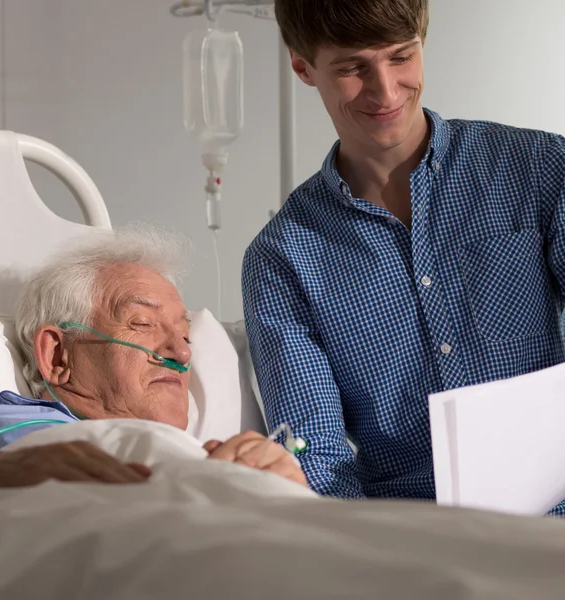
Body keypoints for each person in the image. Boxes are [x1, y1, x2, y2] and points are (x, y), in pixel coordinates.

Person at [241, 0, 565, 514]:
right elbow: (316, 453)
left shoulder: (539, 170)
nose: (386, 91)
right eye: (352, 68)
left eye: (401, 57)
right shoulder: (283, 257)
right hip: (414, 534)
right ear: (302, 66)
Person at [0, 225, 307, 490]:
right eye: (142, 323)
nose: (183, 352)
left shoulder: (213, 452)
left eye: (185, 334)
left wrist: (280, 486)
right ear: (57, 355)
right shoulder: (6, 431)